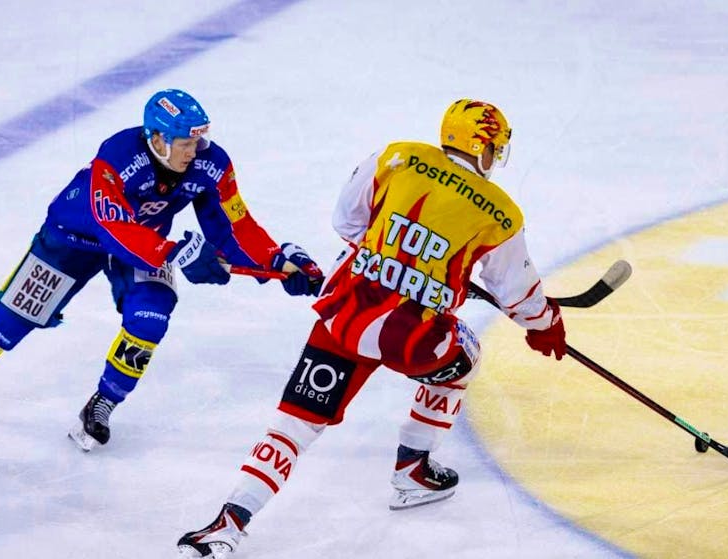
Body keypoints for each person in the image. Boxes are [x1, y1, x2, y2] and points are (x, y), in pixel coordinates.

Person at [175, 99, 566, 558]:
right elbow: (519, 294)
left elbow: (347, 222)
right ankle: (413, 469)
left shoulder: (397, 157)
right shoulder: (500, 212)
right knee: (465, 358)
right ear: (481, 147)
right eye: (494, 149)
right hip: (415, 337)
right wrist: (546, 325)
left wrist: (391, 259)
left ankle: (227, 524)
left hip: (345, 314)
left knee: (295, 425)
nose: (494, 159)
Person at [0, 89, 325, 451]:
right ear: (157, 139)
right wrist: (175, 252)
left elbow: (234, 224)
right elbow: (115, 227)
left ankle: (103, 402)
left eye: (200, 140)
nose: (194, 151)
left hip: (147, 247)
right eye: (184, 142)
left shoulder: (210, 163)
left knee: (151, 317)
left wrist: (276, 259)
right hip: (74, 237)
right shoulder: (117, 156)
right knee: (13, 317)